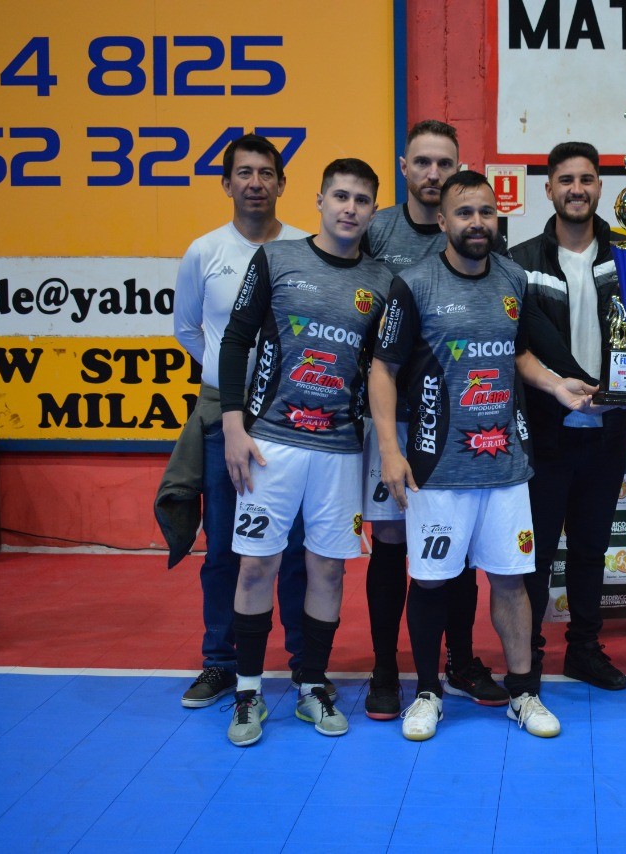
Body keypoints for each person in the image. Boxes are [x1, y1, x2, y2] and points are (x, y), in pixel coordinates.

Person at [370, 169, 594, 741]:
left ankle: (525, 693)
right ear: (442, 221)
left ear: (498, 219)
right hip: (436, 470)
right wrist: (391, 454)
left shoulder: (513, 279)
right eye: (465, 213)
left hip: (506, 468)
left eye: (486, 213)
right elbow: (383, 369)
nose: (477, 223)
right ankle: (426, 692)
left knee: (513, 582)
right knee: (430, 582)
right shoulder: (415, 283)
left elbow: (517, 354)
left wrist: (557, 385)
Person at [217, 158, 392, 746]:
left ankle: (312, 684)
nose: (349, 208)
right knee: (257, 565)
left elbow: (383, 371)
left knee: (327, 568)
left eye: (362, 200)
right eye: (340, 196)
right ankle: (246, 691)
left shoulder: (382, 283)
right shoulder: (277, 258)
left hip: (341, 450)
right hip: (270, 445)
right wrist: (234, 424)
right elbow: (236, 338)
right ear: (318, 199)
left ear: (372, 210)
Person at [360, 120, 508, 719]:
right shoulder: (376, 230)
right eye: (421, 162)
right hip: (393, 417)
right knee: (393, 543)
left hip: (463, 418)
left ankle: (462, 659)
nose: (432, 174)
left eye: (443, 163)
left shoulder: (478, 231)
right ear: (403, 167)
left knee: (463, 545)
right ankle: (384, 668)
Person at [168, 134, 317, 709]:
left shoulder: (308, 246)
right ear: (226, 183)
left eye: (266, 173)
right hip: (223, 415)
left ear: (282, 184)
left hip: (294, 415)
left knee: (297, 549)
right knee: (227, 546)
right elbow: (188, 330)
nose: (255, 183)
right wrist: (236, 390)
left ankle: (307, 663)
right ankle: (221, 660)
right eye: (244, 173)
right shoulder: (204, 252)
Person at [508, 142, 626, 691]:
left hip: (607, 428)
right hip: (544, 432)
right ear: (549, 189)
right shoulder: (520, 262)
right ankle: (528, 653)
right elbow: (514, 344)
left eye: (586, 178)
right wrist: (563, 389)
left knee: (590, 547)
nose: (576, 189)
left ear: (600, 186)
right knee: (535, 552)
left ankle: (583, 647)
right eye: (565, 180)